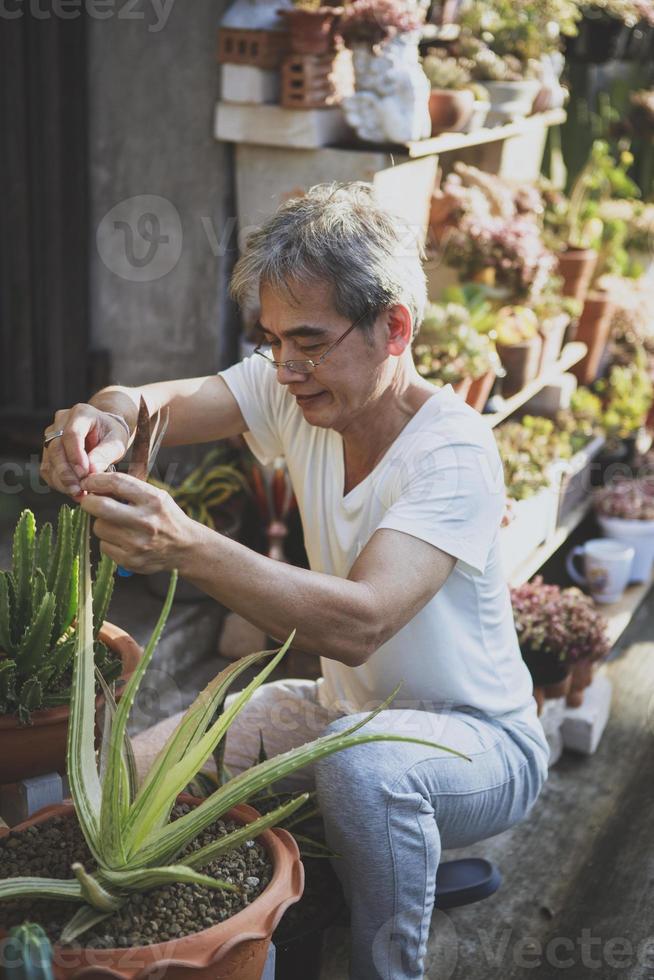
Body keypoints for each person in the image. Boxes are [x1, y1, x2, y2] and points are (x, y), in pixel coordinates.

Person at [40, 182, 549, 980]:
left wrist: (185, 543)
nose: (286, 369)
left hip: (479, 743)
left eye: (307, 342)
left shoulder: (452, 452)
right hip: (338, 711)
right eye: (272, 342)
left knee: (364, 769)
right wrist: (103, 418)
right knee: (122, 785)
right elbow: (157, 403)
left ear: (395, 329)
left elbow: (360, 622)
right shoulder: (301, 392)